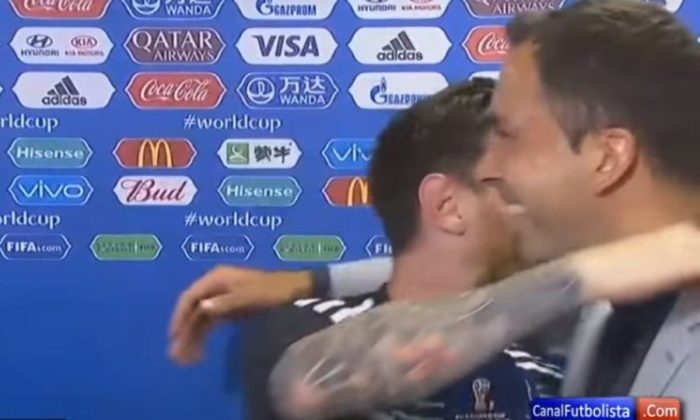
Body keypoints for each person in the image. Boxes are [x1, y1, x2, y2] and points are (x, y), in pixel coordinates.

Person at [169, 0, 700, 417]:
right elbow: (304, 383)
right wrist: (312, 280)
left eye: (508, 135)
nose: (489, 169)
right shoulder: (606, 303)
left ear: (608, 156)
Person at [239, 78, 563, 420]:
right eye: (524, 190)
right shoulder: (310, 333)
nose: (552, 211)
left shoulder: (560, 355)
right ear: (448, 206)